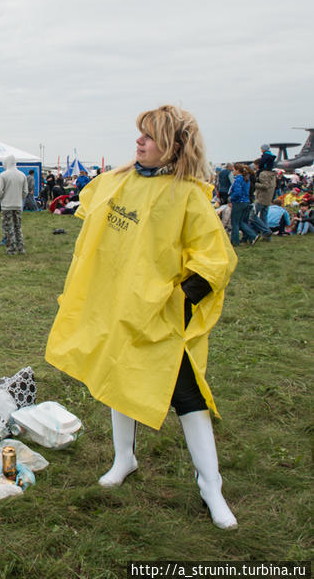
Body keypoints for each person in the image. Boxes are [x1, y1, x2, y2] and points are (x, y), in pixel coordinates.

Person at [45, 105, 239, 530]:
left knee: (188, 399)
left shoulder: (188, 194)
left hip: (160, 316)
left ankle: (211, 485)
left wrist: (178, 303)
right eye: (139, 134)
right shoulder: (117, 181)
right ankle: (124, 459)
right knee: (118, 381)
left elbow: (215, 260)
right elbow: (90, 213)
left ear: (171, 146)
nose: (138, 142)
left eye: (148, 136)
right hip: (118, 308)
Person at [0, 155, 28, 255]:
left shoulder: (3, 175)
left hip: (6, 205)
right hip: (18, 205)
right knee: (18, 227)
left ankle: (11, 249)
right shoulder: (22, 175)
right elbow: (25, 191)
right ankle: (21, 248)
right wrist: (19, 198)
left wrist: (1, 199)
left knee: (8, 227)